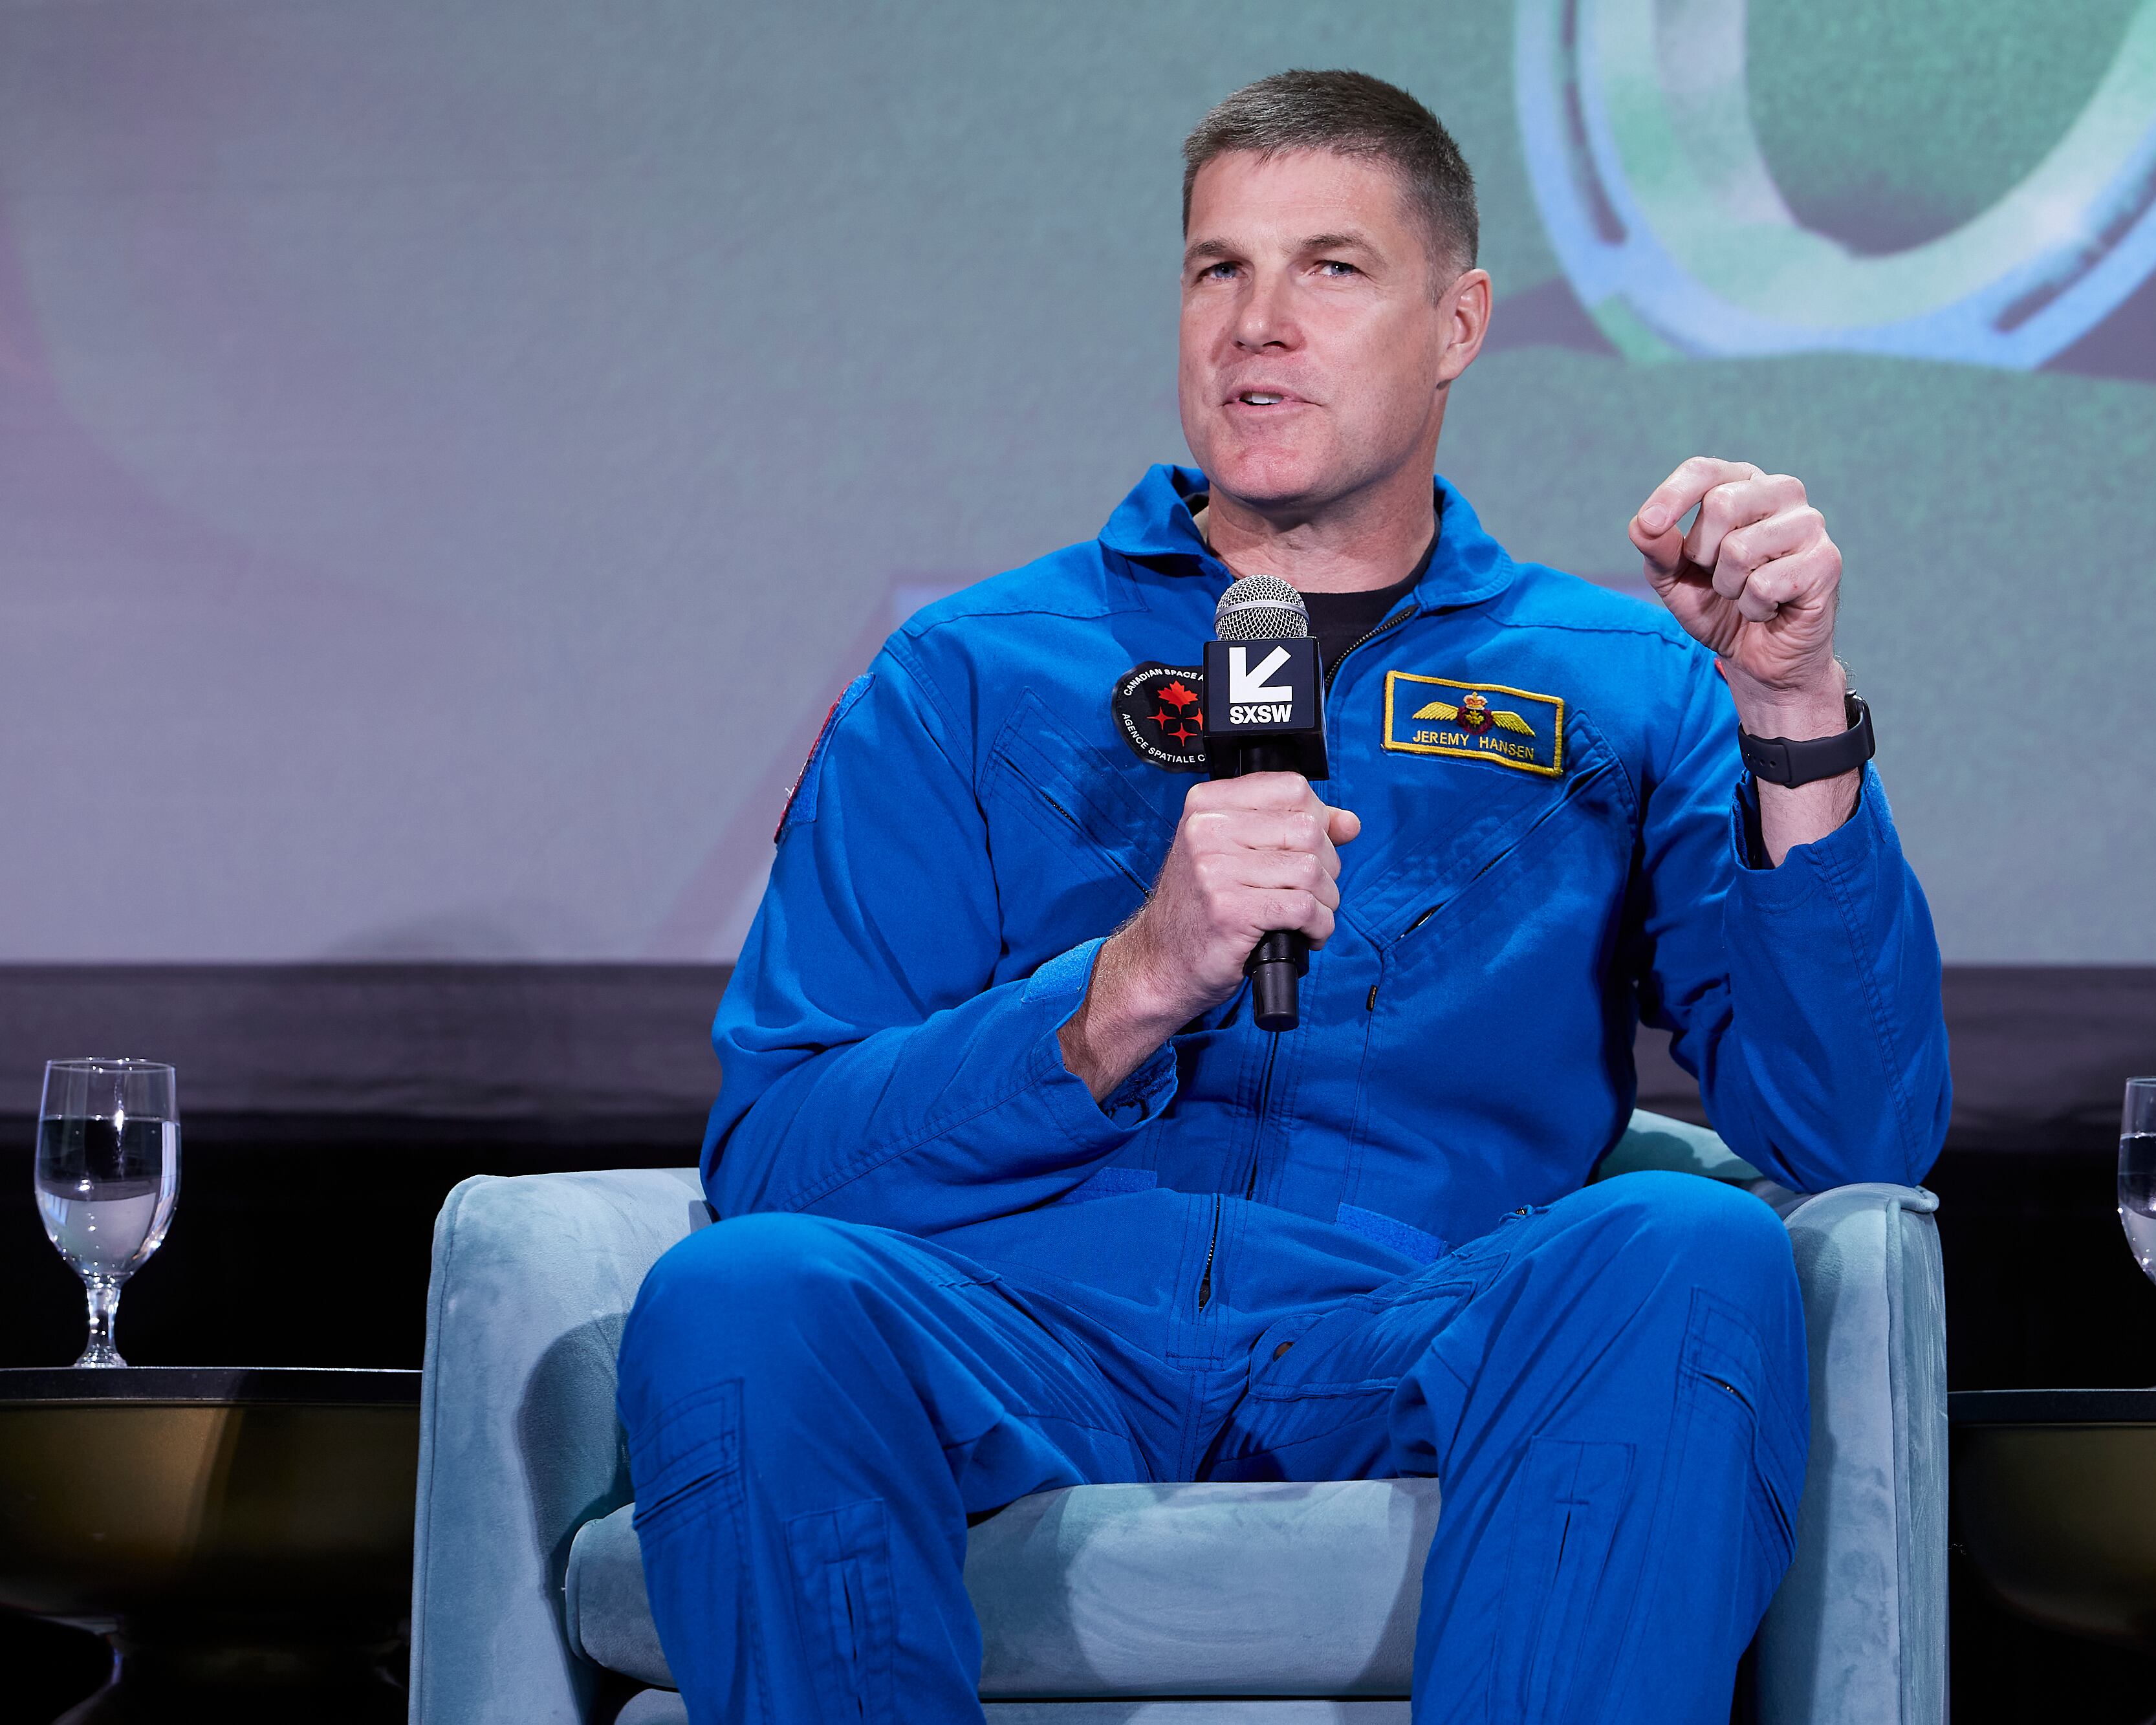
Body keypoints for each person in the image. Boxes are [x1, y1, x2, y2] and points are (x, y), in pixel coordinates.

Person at [617, 68, 1948, 1725]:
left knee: (1684, 1240)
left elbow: (1859, 1132)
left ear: (1457, 322)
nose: (1256, 324)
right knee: (735, 1295)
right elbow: (778, 1157)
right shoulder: (963, 672)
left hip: (1417, 1319)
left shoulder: (1621, 681)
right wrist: (1122, 988)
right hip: (1027, 1327)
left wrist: (1792, 708)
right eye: (1214, 270)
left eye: (1328, 268)